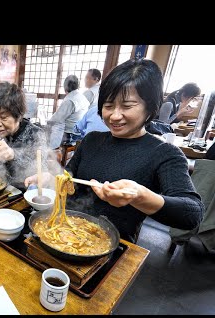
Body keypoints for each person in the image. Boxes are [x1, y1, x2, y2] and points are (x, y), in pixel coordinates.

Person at [25, 59, 204, 243]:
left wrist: (139, 196)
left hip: (112, 245)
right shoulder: (91, 140)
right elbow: (69, 176)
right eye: (109, 106)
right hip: (60, 230)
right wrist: (52, 177)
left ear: (150, 107)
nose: (115, 115)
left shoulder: (165, 154)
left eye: (127, 106)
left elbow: (192, 214)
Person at [47, 75, 89, 149]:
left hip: (70, 135)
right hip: (80, 133)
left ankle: (53, 154)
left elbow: (57, 119)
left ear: (65, 86)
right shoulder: (82, 97)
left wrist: (46, 125)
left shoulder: (70, 100)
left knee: (48, 135)